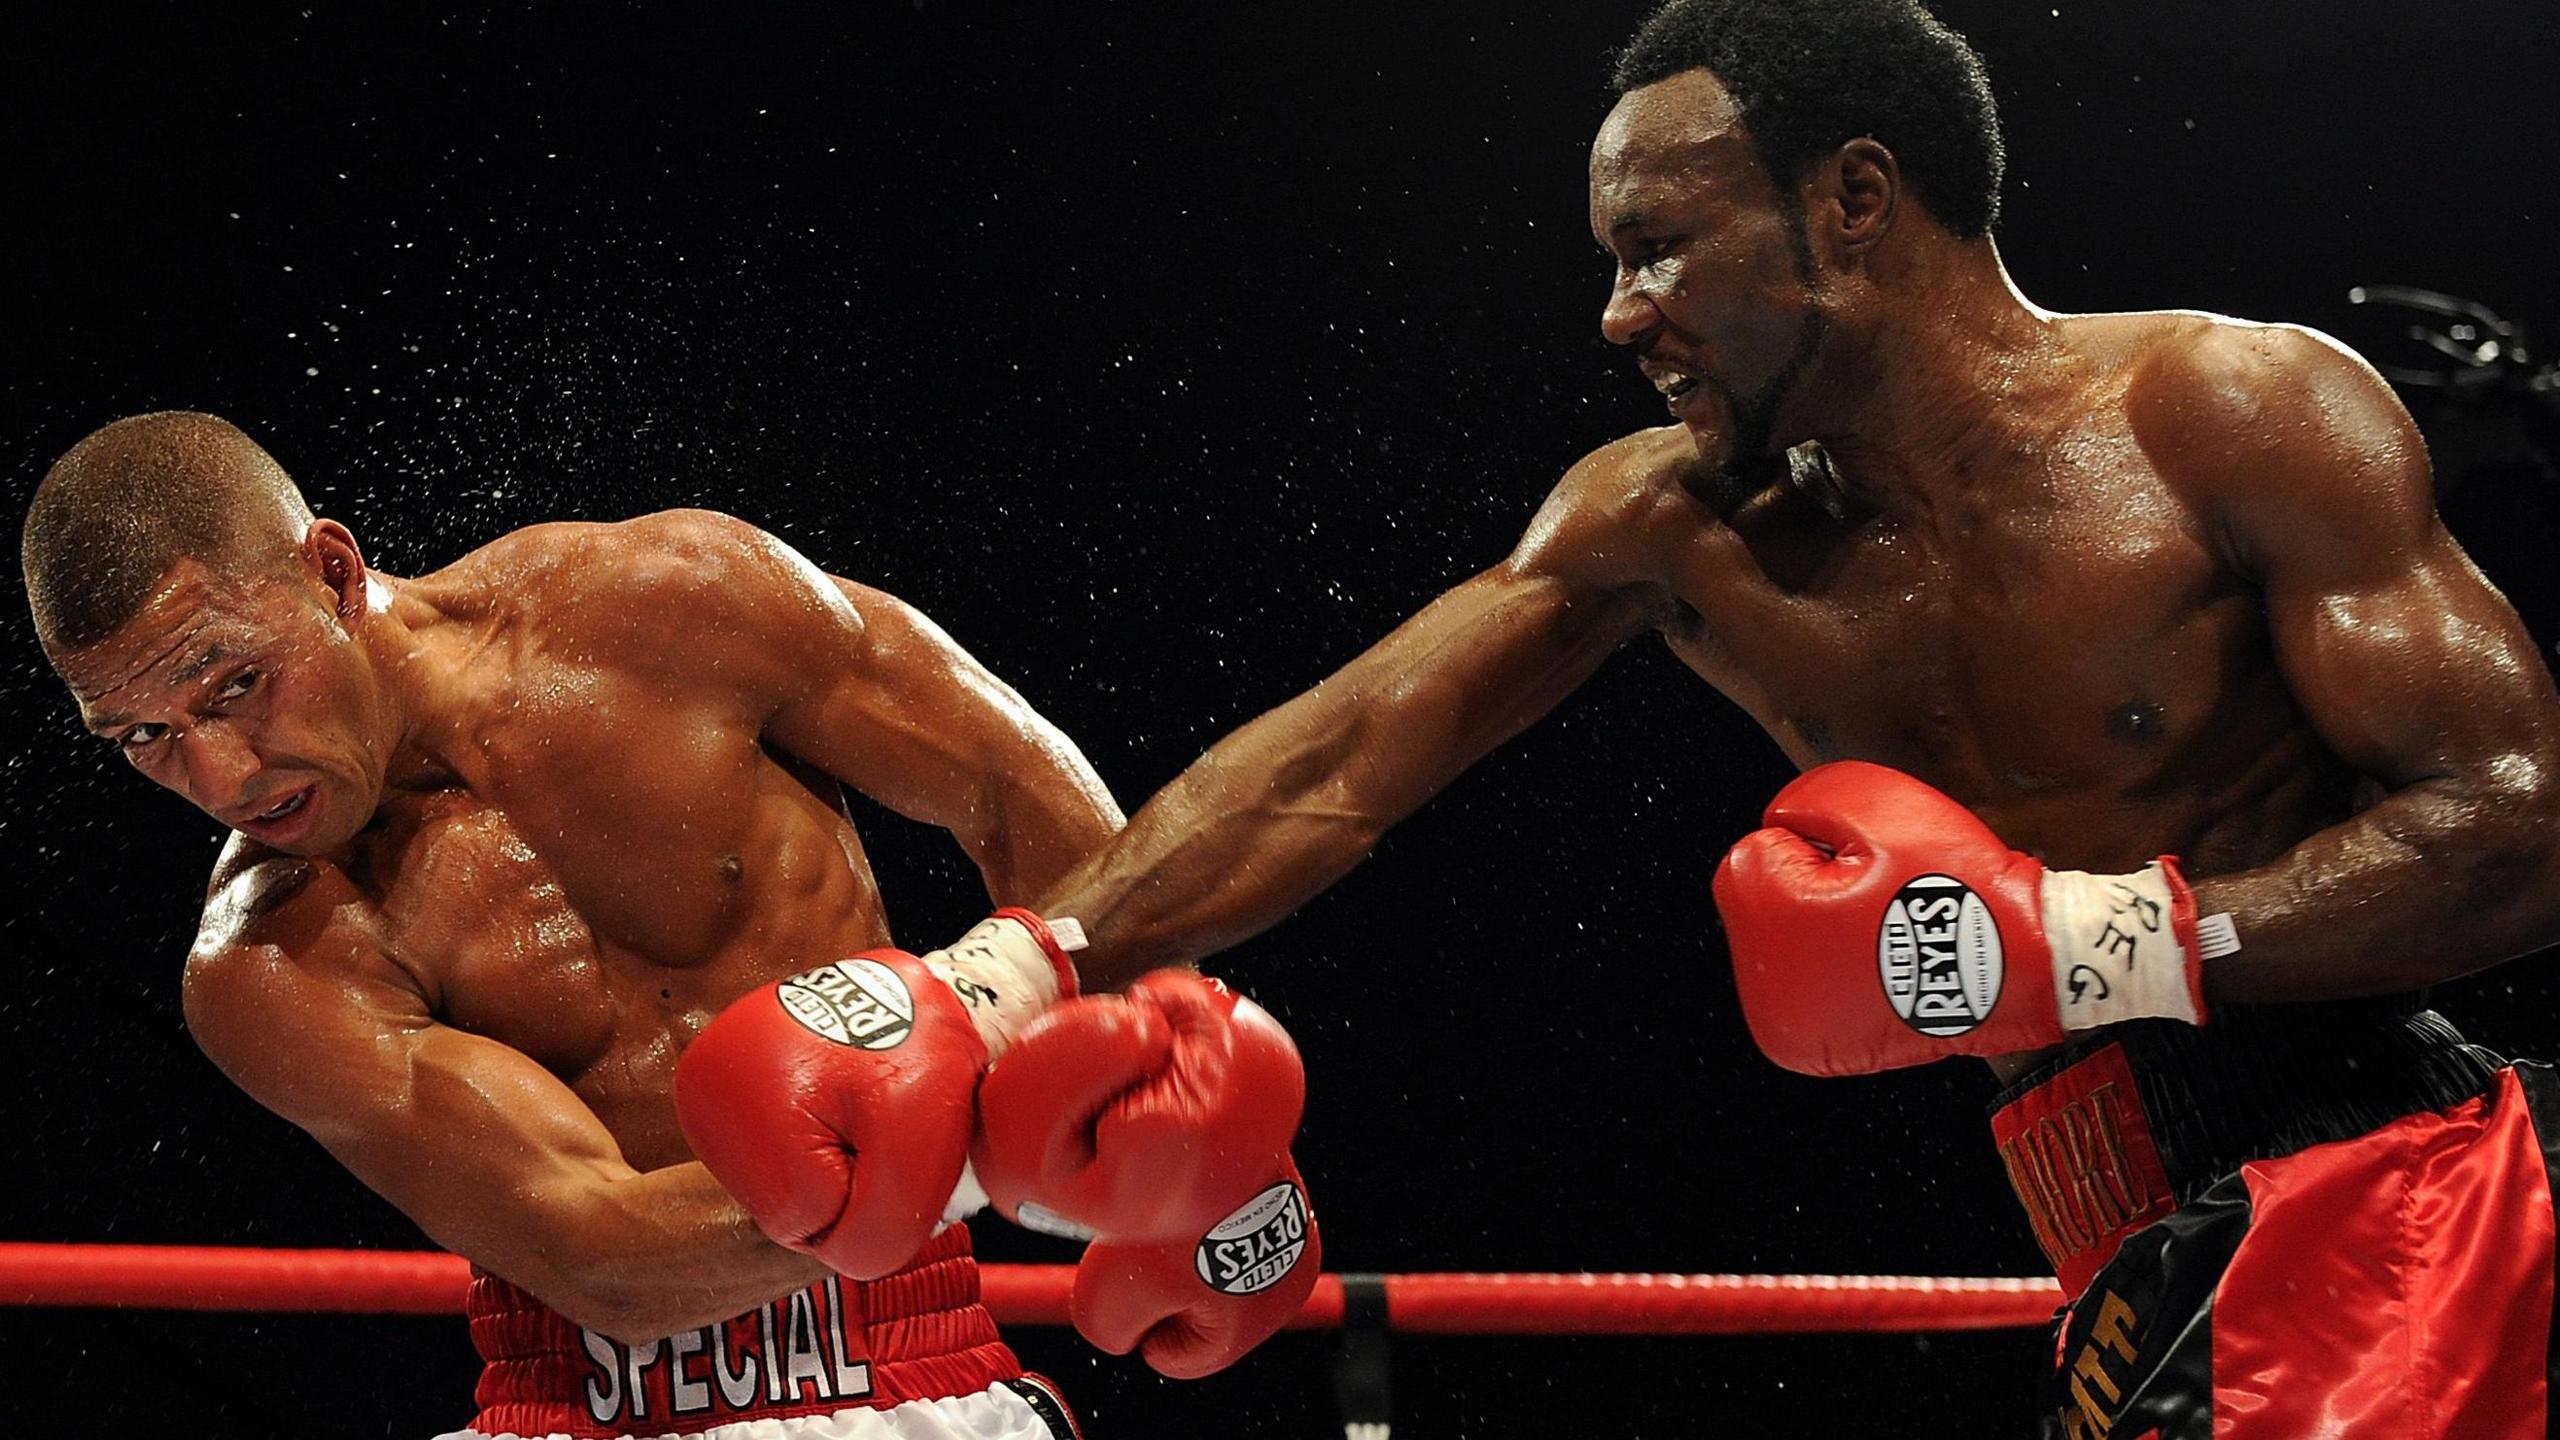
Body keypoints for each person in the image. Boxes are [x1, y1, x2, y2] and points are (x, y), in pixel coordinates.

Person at [1022, 2, 2560, 1434]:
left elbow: (2520, 829)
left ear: (1856, 198)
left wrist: (2088, 944)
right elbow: (1331, 768)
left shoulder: (2229, 411)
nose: (1620, 317)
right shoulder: (1676, 524)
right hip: (2139, 1254)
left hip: (2395, 1206)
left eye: (1660, 249)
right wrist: (1000, 980)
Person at [18, 410, 1318, 1440]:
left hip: (907, 1374)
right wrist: (1025, 1136)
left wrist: (1175, 1076)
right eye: (143, 738)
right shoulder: (265, 955)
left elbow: (1008, 785)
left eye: (236, 683)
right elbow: (602, 1262)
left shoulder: (669, 604)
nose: (221, 774)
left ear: (337, 573)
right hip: (576, 1413)